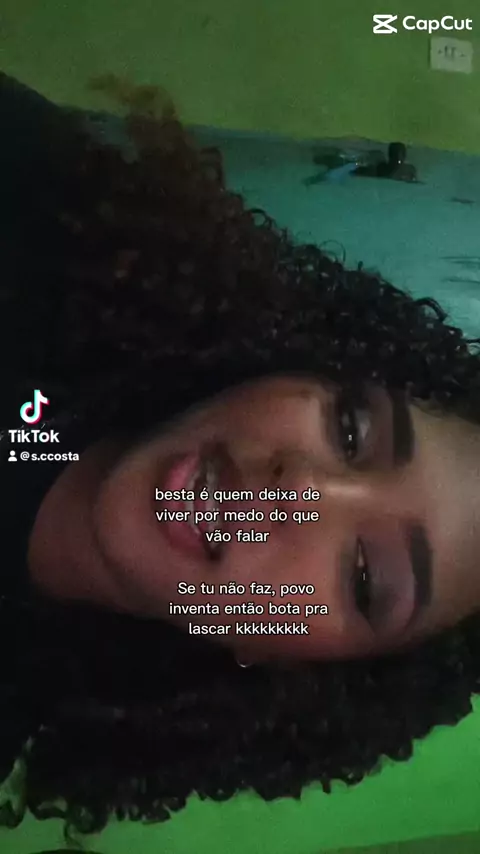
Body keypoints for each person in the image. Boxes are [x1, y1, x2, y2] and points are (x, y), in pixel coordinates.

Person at [0, 71, 480, 840]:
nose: (305, 487)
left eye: (366, 579)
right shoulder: (37, 201)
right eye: (351, 430)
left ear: (289, 668)